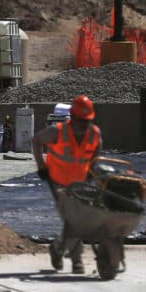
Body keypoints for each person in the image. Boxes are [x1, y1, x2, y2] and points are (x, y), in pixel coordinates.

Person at [31, 95, 102, 275]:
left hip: (80, 183)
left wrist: (92, 175)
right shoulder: (57, 132)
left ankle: (57, 248)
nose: (83, 125)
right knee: (73, 219)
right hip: (58, 182)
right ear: (72, 117)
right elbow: (36, 140)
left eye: (87, 121)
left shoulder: (95, 134)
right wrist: (41, 167)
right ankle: (77, 260)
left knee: (75, 220)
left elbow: (96, 155)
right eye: (80, 121)